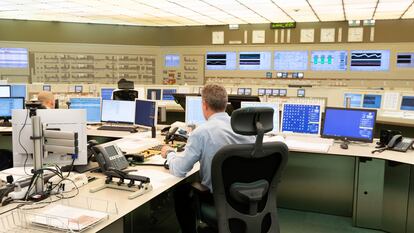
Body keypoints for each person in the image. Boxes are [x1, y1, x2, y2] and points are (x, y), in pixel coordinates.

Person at [161, 84, 255, 233]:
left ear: (204, 105)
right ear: (226, 104)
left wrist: (170, 154)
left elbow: (179, 170)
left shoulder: (202, 132)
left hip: (218, 200)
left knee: (181, 191)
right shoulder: (247, 129)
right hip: (248, 198)